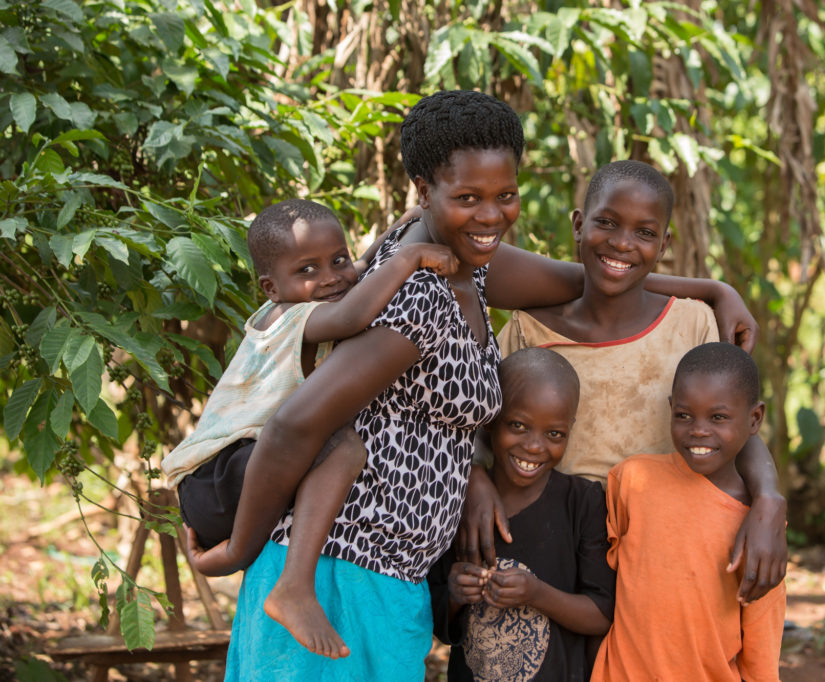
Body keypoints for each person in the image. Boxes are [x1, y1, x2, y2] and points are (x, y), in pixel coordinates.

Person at [205, 92, 763, 680]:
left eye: (506, 196)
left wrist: (710, 289)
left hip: (391, 575)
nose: (492, 216)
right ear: (424, 190)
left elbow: (594, 273)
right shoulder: (417, 293)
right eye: (468, 198)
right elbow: (299, 422)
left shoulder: (470, 263)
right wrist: (241, 547)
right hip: (336, 570)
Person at [471, 160, 787, 603]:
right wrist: (473, 477)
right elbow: (479, 424)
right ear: (579, 225)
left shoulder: (691, 323)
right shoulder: (529, 331)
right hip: (551, 557)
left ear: (664, 244)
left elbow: (733, 428)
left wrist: (770, 498)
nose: (621, 243)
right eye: (607, 223)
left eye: (644, 232)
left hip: (665, 553)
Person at [163, 198, 457, 658]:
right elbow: (353, 315)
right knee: (343, 447)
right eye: (307, 269)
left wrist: (398, 230)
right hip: (218, 475)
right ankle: (294, 587)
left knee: (333, 442)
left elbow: (360, 269)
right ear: (271, 287)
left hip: (239, 468)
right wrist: (409, 257)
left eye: (336, 259)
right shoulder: (294, 315)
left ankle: (274, 574)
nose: (331, 277)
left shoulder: (313, 293)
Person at [592, 341, 786, 681]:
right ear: (670, 409)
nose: (698, 429)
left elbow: (761, 653)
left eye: (718, 417)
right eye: (684, 415)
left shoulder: (758, 526)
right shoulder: (632, 480)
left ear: (754, 418)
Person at [429, 348, 615, 682]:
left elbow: (602, 614)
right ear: (490, 423)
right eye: (518, 425)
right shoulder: (459, 504)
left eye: (554, 433)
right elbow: (436, 622)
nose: (533, 446)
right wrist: (456, 596)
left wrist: (537, 594)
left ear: (570, 429)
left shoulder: (582, 503)